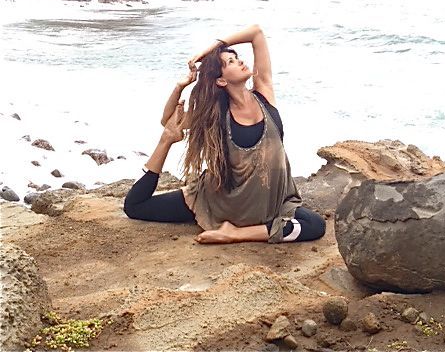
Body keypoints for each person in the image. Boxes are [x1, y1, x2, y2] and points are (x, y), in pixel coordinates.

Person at [123, 24, 326, 244]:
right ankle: (247, 230)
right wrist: (180, 87)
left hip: (271, 203)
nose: (239, 61)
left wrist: (213, 48)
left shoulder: (264, 93)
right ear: (221, 80)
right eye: (230, 62)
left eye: (236, 58)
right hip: (218, 202)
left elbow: (256, 33)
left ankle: (235, 233)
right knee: (136, 206)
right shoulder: (215, 115)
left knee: (315, 225)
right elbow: (170, 122)